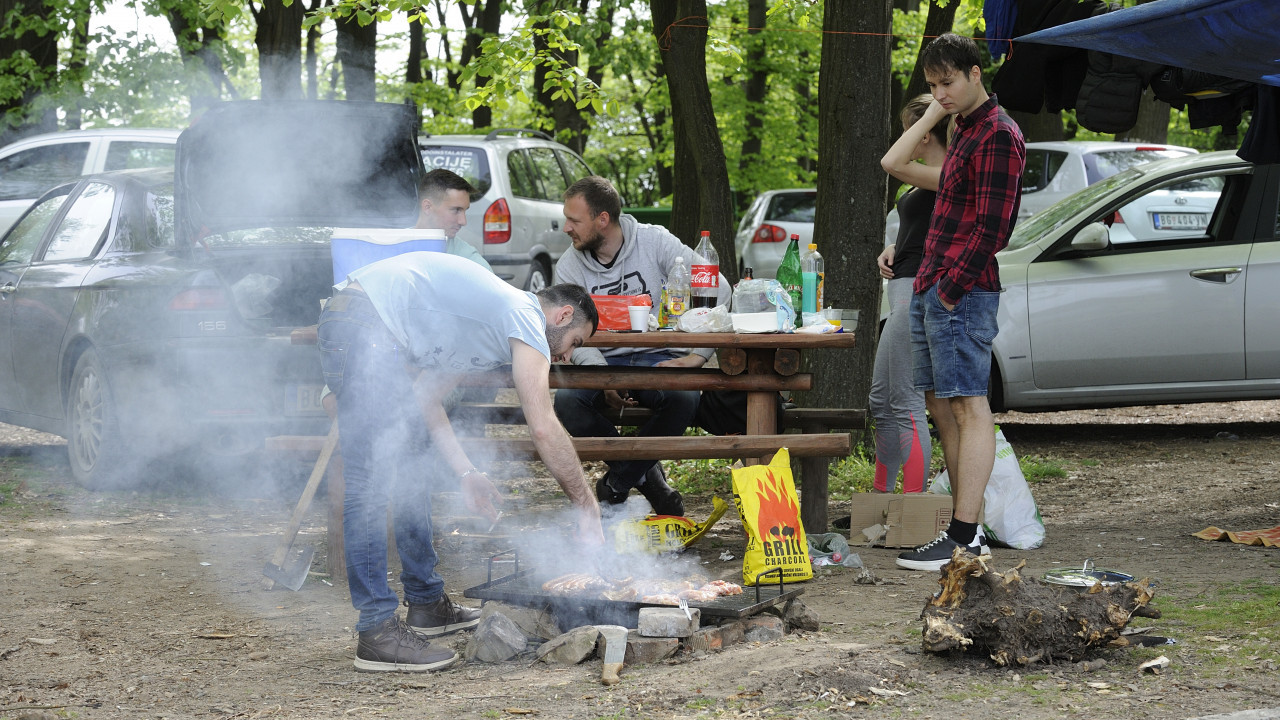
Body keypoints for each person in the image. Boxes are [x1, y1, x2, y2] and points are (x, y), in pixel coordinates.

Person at [317, 251, 603, 672]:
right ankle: (376, 632)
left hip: (364, 324)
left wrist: (468, 473)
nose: (566, 356)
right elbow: (542, 425)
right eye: (576, 342)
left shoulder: (484, 327)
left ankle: (426, 603)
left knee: (411, 467)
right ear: (562, 315)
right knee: (369, 483)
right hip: (364, 323)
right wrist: (586, 505)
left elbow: (426, 401)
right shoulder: (523, 314)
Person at [895, 32, 1025, 572]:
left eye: (947, 82)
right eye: (932, 85)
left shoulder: (998, 133)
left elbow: (995, 228)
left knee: (971, 407)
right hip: (933, 283)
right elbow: (928, 188)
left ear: (975, 73)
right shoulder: (964, 126)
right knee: (943, 407)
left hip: (961, 291)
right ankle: (961, 531)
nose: (940, 93)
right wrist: (932, 284)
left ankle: (966, 537)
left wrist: (949, 290)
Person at [553, 176, 730, 517]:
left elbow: (718, 288)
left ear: (602, 219)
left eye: (574, 221)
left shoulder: (654, 241)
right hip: (600, 359)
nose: (566, 228)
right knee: (567, 402)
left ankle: (618, 482)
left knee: (684, 398)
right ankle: (650, 481)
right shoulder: (569, 266)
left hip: (658, 356)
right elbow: (571, 333)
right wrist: (601, 379)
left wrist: (697, 357)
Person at [870, 95, 950, 494]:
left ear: (924, 135)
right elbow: (916, 231)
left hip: (917, 292)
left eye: (908, 129)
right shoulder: (919, 180)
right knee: (881, 400)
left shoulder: (949, 175)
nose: (904, 137)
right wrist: (892, 247)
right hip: (899, 287)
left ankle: (912, 506)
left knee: (905, 402)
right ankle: (883, 502)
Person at [416, 168, 491, 271]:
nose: (463, 222)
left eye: (465, 211)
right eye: (456, 210)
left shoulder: (468, 259)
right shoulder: (393, 243)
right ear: (427, 207)